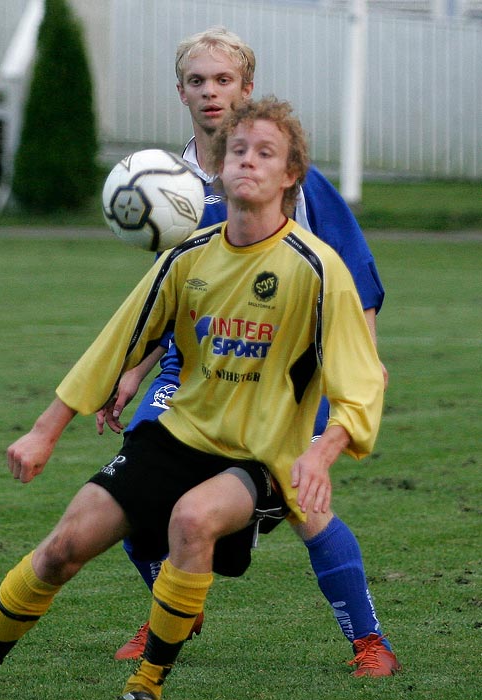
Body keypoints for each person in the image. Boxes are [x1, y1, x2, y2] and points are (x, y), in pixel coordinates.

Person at [0, 94, 389, 700]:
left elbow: (361, 381)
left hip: (260, 457)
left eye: (265, 153)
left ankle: (146, 687)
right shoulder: (188, 257)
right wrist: (45, 429)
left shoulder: (317, 270)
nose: (247, 161)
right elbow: (116, 343)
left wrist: (320, 455)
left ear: (291, 175)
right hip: (178, 435)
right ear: (218, 168)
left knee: (192, 520)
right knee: (62, 548)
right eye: (238, 149)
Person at [101, 27, 400, 678]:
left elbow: (351, 266)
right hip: (192, 373)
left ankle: (371, 642)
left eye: (224, 80)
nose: (211, 92)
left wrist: (365, 358)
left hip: (287, 374)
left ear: (247, 87)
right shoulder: (166, 183)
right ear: (180, 91)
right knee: (128, 490)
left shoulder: (288, 172)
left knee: (302, 502)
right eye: (198, 81)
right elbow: (172, 293)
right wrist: (130, 371)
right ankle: (175, 606)